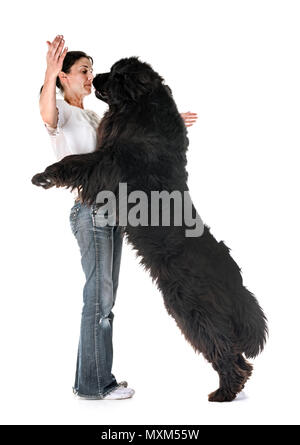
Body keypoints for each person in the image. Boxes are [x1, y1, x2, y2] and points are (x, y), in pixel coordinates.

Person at [39, 34, 198, 400]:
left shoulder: (94, 114)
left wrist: (168, 122)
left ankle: (89, 381)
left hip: (112, 211)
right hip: (90, 211)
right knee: (99, 298)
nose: (90, 76)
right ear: (64, 78)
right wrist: (49, 74)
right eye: (82, 70)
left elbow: (128, 145)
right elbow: (46, 112)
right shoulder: (62, 112)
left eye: (91, 70)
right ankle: (97, 384)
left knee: (105, 300)